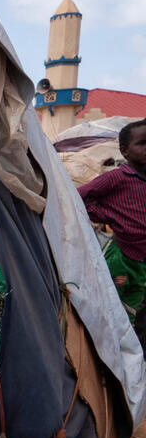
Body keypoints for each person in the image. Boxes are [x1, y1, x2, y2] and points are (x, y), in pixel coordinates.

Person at [78, 119, 146, 333]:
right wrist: (107, 215)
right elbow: (78, 197)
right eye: (142, 143)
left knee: (133, 311)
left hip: (141, 262)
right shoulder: (117, 177)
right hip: (123, 258)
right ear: (125, 151)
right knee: (111, 308)